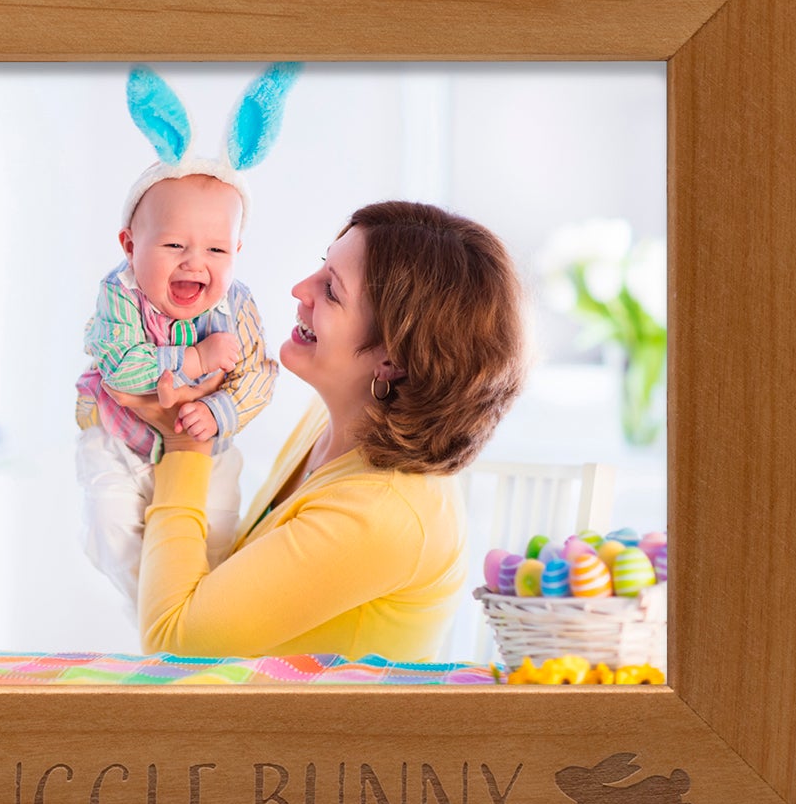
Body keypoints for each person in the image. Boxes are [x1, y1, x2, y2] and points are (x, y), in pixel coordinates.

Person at [137, 200, 527, 662]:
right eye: (322, 266)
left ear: (393, 360)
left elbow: (173, 644)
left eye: (332, 291)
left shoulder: (385, 513)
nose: (300, 289)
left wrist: (184, 445)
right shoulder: (333, 421)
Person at [73, 66, 294, 608]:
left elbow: (258, 377)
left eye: (217, 250)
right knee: (111, 527)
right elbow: (123, 368)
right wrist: (196, 357)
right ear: (130, 244)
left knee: (215, 538)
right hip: (119, 440)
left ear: (237, 252)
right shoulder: (119, 295)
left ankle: (192, 618)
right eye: (174, 246)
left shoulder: (236, 304)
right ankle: (156, 615)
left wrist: (218, 410)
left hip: (206, 451)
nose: (196, 262)